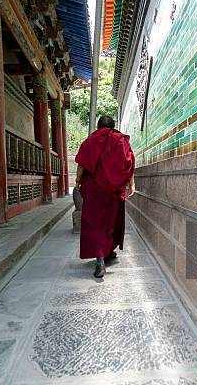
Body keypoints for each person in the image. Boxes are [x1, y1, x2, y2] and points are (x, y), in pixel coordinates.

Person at [75, 115, 135, 278]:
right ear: (113, 126)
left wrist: (78, 180)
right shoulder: (120, 140)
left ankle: (102, 259)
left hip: (94, 189)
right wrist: (131, 184)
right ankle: (105, 254)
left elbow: (82, 164)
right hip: (113, 190)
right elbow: (128, 165)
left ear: (98, 126)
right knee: (110, 222)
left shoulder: (90, 141)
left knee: (95, 223)